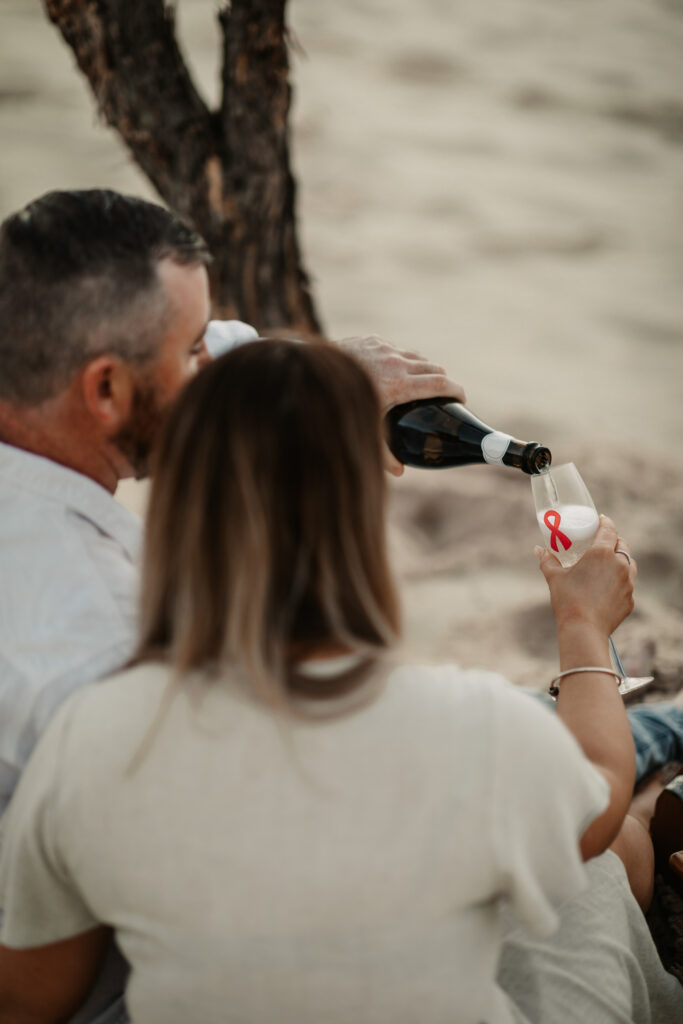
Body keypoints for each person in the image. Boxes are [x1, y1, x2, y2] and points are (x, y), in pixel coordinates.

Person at [0, 341, 679, 1023]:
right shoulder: (467, 730)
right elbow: (593, 786)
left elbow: (34, 999)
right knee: (588, 868)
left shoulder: (90, 739)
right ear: (363, 529)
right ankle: (659, 793)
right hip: (514, 795)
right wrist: (582, 622)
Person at [0, 188, 464, 1024]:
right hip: (135, 988)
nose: (209, 360)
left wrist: (310, 375)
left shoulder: (33, 397)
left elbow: (213, 351)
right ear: (105, 389)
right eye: (188, 354)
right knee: (595, 860)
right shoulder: (97, 654)